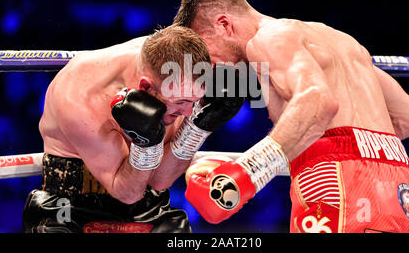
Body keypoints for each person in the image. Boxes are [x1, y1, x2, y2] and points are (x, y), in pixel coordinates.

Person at [174, 0, 409, 233]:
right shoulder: (342, 41)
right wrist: (359, 151)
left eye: (206, 52)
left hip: (337, 184)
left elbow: (318, 101)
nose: (212, 66)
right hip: (404, 188)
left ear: (224, 24)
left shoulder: (268, 38)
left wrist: (246, 173)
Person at [22, 25, 244, 233]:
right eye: (181, 102)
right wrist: (147, 145)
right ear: (146, 87)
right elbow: (126, 192)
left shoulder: (178, 73)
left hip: (147, 206)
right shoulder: (80, 94)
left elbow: (160, 181)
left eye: (194, 101)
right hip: (69, 206)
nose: (187, 112)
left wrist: (197, 127)